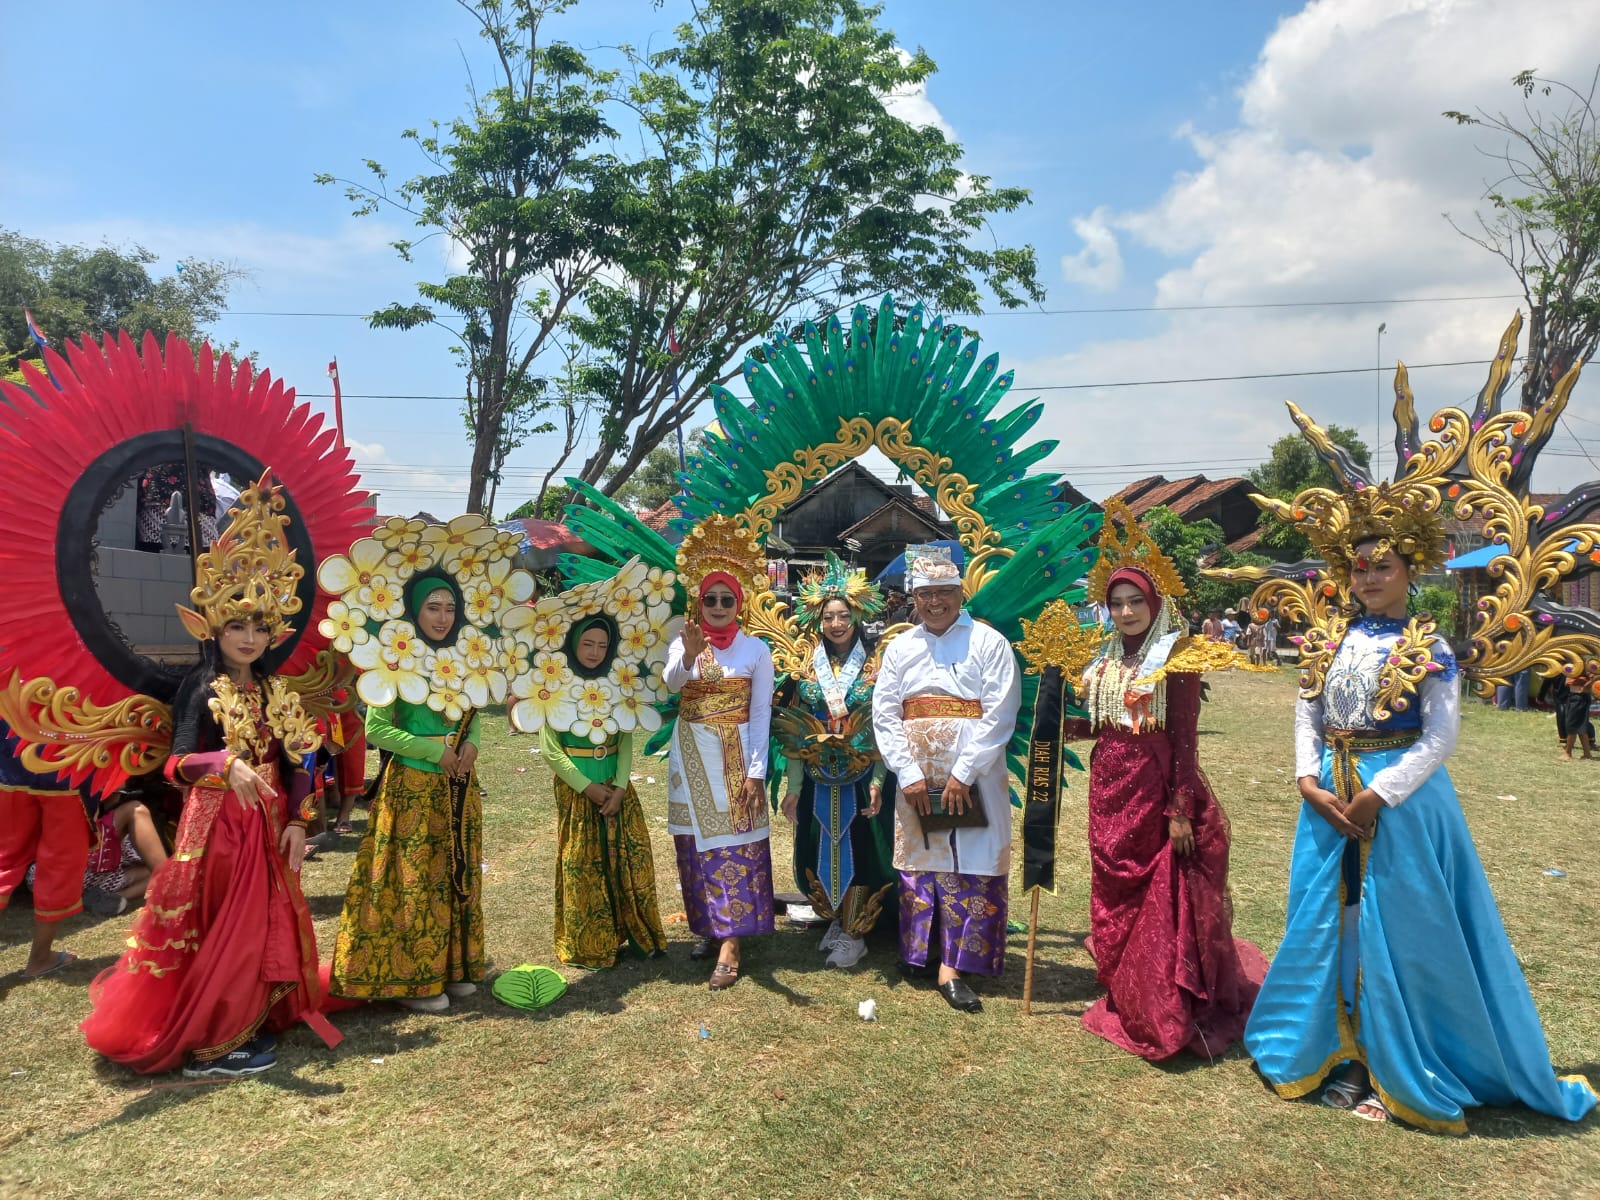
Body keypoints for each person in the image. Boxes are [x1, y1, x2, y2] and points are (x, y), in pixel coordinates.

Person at [1244, 440, 1596, 1131]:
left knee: (1398, 931)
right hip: (1326, 800)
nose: (1369, 578)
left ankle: (1395, 1060)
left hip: (1397, 803)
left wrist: (1380, 793)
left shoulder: (1428, 646)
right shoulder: (1327, 641)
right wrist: (1306, 779)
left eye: (1383, 566)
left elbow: (1440, 736)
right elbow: (1307, 711)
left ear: (1410, 569)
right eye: (1359, 567)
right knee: (1332, 924)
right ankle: (1339, 1052)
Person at [80, 472, 339, 1077]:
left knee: (264, 920)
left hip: (269, 819)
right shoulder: (200, 686)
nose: (248, 638)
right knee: (231, 925)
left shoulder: (276, 687)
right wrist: (223, 762)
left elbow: (301, 754)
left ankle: (251, 1011)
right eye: (236, 626)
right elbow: (173, 763)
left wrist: (301, 819)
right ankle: (214, 1041)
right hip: (218, 823)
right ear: (213, 627)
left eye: (259, 628)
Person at [1067, 506, 1263, 1059]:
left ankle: (1158, 994)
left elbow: (1183, 737)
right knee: (1111, 880)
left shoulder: (1175, 657)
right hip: (1108, 783)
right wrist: (1061, 722)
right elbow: (1106, 722)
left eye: (1135, 602)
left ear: (1155, 605)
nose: (1126, 612)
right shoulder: (1103, 654)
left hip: (1156, 787)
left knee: (1157, 888)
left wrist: (1180, 808)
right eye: (1116, 603)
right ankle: (1120, 973)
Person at [871, 546, 1020, 1014]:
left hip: (974, 773)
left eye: (945, 593)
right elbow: (885, 713)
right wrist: (908, 773)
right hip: (916, 775)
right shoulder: (901, 647)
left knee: (971, 859)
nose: (936, 602)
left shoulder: (989, 642)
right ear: (913, 598)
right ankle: (921, 953)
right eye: (926, 594)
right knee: (921, 863)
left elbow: (1000, 712)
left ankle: (956, 965)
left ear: (961, 592)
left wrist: (962, 773)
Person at [331, 575, 486, 1011]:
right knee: (419, 877)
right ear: (415, 609)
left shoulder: (462, 657)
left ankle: (452, 968)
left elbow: (471, 714)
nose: (443, 617)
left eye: (450, 608)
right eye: (433, 607)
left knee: (456, 873)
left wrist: (470, 745)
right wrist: (436, 753)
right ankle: (414, 980)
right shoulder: (394, 659)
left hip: (459, 785)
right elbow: (378, 728)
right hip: (415, 788)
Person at [664, 516, 777, 991]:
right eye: (709, 599)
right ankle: (711, 927)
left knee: (734, 840)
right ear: (698, 602)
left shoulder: (756, 650)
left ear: (739, 603)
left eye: (726, 599)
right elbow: (671, 684)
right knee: (693, 841)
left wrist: (756, 774)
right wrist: (688, 657)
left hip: (735, 754)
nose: (716, 607)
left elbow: (761, 714)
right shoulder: (684, 643)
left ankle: (732, 943)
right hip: (689, 750)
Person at [776, 553, 895, 970]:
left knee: (862, 848)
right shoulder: (803, 665)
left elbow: (885, 727)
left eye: (843, 615)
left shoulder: (880, 662)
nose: (836, 624)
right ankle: (837, 917)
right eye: (828, 617)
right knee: (820, 844)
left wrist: (880, 778)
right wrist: (792, 787)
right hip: (815, 776)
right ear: (817, 620)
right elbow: (793, 726)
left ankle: (857, 931)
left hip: (864, 776)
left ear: (856, 614)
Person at [540, 616, 668, 968]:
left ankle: (639, 933)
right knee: (583, 864)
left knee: (630, 862)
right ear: (573, 645)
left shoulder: (617, 685)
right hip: (577, 791)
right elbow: (551, 750)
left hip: (616, 788)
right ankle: (590, 945)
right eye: (587, 644)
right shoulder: (555, 687)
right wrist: (587, 787)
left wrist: (621, 786)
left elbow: (625, 737)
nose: (595, 652)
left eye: (601, 645)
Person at [0, 718, 94, 978]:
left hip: (12, 758)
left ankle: (42, 957)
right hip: (67, 766)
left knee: (3, 861)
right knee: (60, 863)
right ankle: (40, 958)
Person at [1543, 673, 1596, 760]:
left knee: (1572, 726)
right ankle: (1587, 753)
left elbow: (1594, 675)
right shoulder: (1576, 663)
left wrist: (1588, 684)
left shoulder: (1582, 664)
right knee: (1580, 727)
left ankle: (1568, 753)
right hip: (1574, 696)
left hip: (1579, 697)